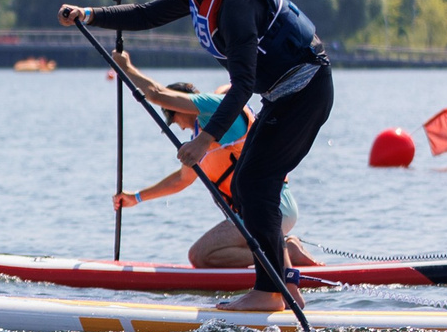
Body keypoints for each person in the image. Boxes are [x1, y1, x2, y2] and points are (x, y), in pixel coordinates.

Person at [61, 0, 333, 311]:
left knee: (255, 181)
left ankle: (272, 294)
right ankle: (284, 288)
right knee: (246, 185)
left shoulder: (237, 3)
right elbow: (146, 13)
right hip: (285, 96)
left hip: (305, 91)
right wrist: (89, 15)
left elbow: (242, 86)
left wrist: (204, 141)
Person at [109, 48, 318, 270]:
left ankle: (284, 254)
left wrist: (126, 67)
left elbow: (155, 94)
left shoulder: (213, 107)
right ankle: (282, 248)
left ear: (179, 105)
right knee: (204, 255)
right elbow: (182, 179)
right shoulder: (200, 139)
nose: (177, 125)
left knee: (201, 256)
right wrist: (136, 197)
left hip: (272, 207)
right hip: (256, 212)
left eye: (172, 116)